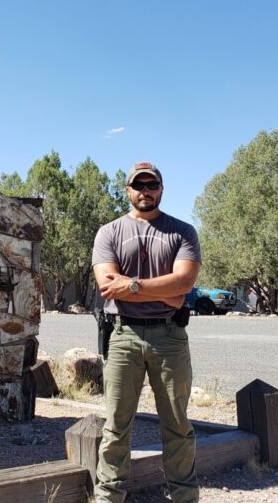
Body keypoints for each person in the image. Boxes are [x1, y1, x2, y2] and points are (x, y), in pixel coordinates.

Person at [91, 161, 201, 503]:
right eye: (138, 185)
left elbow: (184, 283)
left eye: (151, 185)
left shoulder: (182, 232)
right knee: (116, 427)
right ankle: (109, 498)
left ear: (161, 189)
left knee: (178, 425)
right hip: (122, 335)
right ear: (128, 190)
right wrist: (166, 292)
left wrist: (133, 286)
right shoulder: (109, 232)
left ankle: (184, 497)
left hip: (169, 337)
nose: (145, 191)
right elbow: (108, 286)